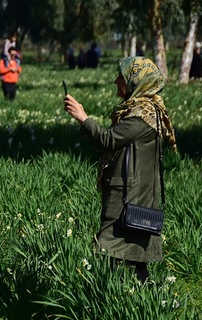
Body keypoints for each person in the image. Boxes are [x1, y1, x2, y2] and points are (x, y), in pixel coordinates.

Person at [63, 56, 176, 283]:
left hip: (129, 195)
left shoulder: (141, 115)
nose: (116, 81)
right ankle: (143, 301)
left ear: (135, 82)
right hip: (132, 192)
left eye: (121, 77)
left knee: (109, 248)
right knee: (131, 253)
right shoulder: (141, 110)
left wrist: (83, 117)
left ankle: (109, 299)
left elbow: (109, 139)